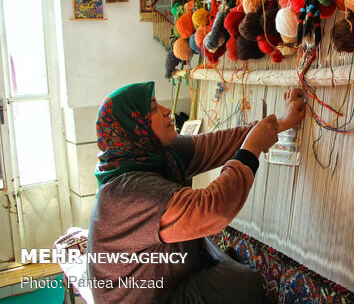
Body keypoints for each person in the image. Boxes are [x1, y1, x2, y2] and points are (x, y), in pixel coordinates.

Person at [87, 81, 305, 303]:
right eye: (153, 108)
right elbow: (213, 210)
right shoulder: (128, 194)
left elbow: (216, 144)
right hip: (141, 298)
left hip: (160, 276)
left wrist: (282, 123)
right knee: (243, 283)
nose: (165, 110)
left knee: (223, 266)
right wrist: (251, 151)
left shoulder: (152, 156)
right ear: (133, 127)